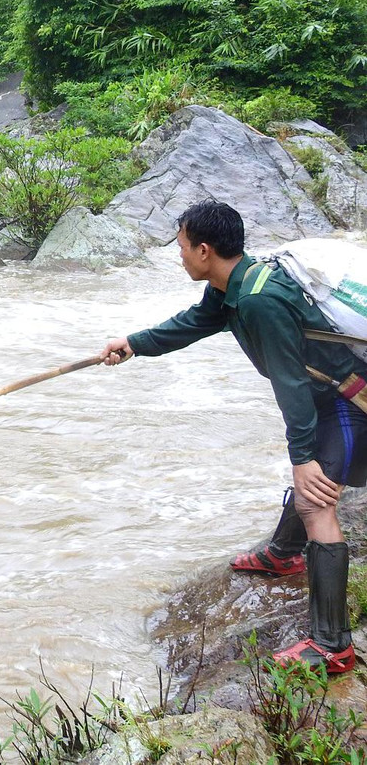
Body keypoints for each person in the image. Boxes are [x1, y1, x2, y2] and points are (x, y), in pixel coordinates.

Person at [100, 201, 367, 673]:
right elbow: (196, 323)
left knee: (315, 499)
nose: (178, 255)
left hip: (347, 401)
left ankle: (332, 646)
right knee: (311, 486)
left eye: (181, 247)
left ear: (204, 250)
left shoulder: (258, 300)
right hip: (326, 396)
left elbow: (291, 382)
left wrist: (302, 458)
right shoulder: (235, 283)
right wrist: (135, 344)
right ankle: (284, 555)